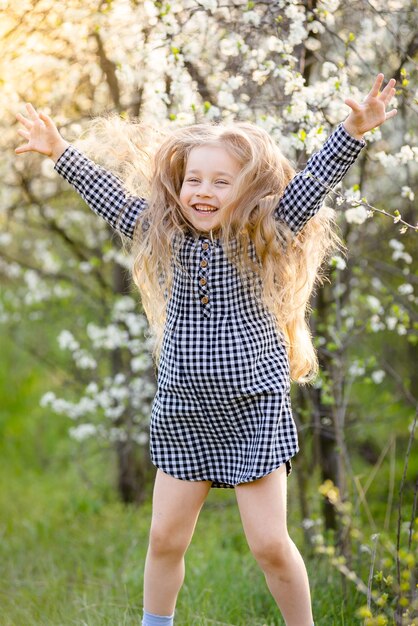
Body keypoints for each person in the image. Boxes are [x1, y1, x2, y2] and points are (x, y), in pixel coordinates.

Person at [15, 73, 397, 626]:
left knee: (269, 545)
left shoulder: (267, 233)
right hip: (185, 412)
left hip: (252, 411)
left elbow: (312, 182)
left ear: (249, 190)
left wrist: (353, 130)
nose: (204, 192)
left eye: (222, 182)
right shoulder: (160, 232)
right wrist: (60, 151)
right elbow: (109, 197)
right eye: (195, 178)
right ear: (178, 183)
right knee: (165, 538)